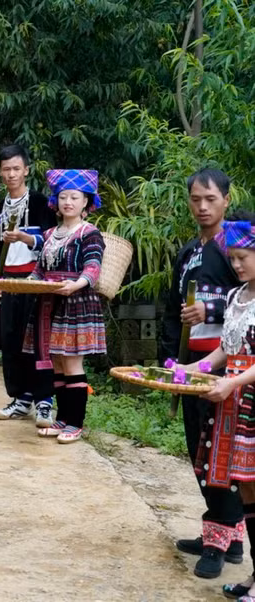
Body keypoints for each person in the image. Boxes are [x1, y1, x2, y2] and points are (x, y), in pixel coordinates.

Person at [161, 168, 244, 579]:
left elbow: (249, 298)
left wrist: (211, 310)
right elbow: (173, 305)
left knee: (220, 455)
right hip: (193, 364)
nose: (202, 206)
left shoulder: (239, 244)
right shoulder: (189, 251)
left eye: (210, 199)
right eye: (195, 199)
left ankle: (217, 541)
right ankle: (231, 534)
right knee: (199, 451)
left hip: (232, 368)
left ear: (226, 199)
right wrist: (169, 359)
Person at [182, 217, 255, 600]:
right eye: (234, 258)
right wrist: (191, 369)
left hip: (248, 400)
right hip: (233, 403)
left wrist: (231, 382)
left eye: (244, 257)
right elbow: (226, 350)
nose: (237, 265)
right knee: (244, 491)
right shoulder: (236, 297)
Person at [23, 169, 107, 444]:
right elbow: (39, 269)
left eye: (74, 197)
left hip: (76, 302)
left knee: (72, 363)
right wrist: (28, 283)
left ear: (86, 202)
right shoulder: (50, 233)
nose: (68, 202)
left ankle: (76, 423)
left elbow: (93, 267)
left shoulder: (89, 233)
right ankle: (62, 419)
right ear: (56, 201)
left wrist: (77, 284)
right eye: (63, 197)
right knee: (57, 363)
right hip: (49, 301)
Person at [0, 145, 59, 423]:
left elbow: (52, 241)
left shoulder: (41, 203)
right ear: (0, 172)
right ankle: (20, 398)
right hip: (9, 281)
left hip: (36, 281)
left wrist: (25, 238)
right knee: (10, 338)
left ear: (26, 170)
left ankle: (44, 400)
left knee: (38, 341)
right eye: (6, 169)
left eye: (16, 168)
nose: (11, 174)